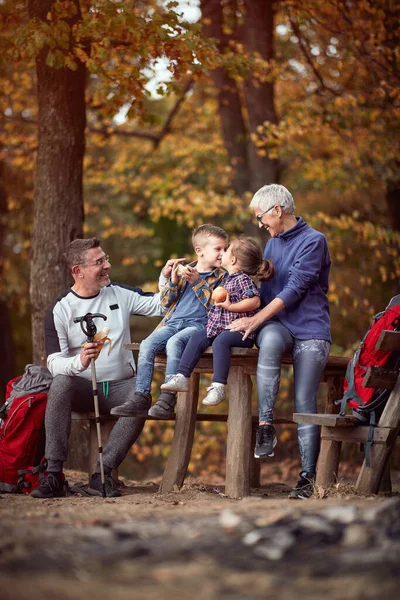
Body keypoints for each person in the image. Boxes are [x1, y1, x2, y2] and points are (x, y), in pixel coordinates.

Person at [31, 237, 166, 499]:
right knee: (59, 381)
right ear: (78, 270)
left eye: (106, 259)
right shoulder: (59, 309)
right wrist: (79, 362)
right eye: (99, 262)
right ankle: (54, 475)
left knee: (140, 397)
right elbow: (53, 361)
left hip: (121, 385)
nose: (108, 265)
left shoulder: (119, 293)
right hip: (81, 387)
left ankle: (101, 475)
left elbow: (160, 304)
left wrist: (166, 277)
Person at [227, 184, 331, 500]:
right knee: (269, 340)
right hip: (278, 326)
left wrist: (254, 319)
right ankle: (266, 425)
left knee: (304, 400)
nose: (260, 224)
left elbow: (294, 290)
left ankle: (308, 478)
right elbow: (261, 290)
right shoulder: (270, 245)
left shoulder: (314, 241)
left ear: (277, 210)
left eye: (261, 217)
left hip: (311, 329)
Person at [111, 224, 229, 419]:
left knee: (175, 343)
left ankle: (167, 399)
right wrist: (172, 282)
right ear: (199, 251)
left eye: (225, 249)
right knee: (147, 344)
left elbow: (216, 305)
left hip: (199, 326)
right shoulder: (185, 272)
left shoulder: (222, 277)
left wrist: (198, 282)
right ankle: (141, 396)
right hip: (172, 323)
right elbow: (165, 302)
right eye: (218, 249)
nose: (222, 254)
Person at [161, 237, 274, 405]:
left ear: (234, 259)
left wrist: (230, 306)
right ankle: (182, 376)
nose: (223, 253)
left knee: (220, 342)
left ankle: (219, 386)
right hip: (221, 328)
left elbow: (255, 301)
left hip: (239, 332)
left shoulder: (242, 279)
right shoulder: (227, 278)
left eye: (227, 250)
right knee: (198, 337)